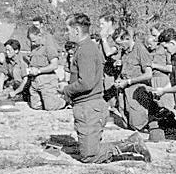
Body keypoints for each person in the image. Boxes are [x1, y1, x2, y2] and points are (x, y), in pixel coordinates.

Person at [60, 13, 151, 163]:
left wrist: (66, 89)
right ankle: (126, 145)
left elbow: (86, 83)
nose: (66, 33)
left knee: (89, 156)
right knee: (89, 150)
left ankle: (130, 145)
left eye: (68, 29)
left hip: (89, 108)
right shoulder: (85, 47)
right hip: (88, 107)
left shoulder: (86, 50)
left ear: (76, 30)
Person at [113, 27, 154, 131]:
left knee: (137, 124)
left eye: (121, 44)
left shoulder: (140, 49)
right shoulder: (124, 51)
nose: (120, 47)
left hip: (136, 89)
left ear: (127, 38)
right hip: (124, 89)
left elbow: (148, 74)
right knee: (126, 122)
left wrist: (128, 81)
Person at [27, 26, 65, 110]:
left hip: (47, 80)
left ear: (39, 35)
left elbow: (54, 65)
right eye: (31, 41)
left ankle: (65, 100)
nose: (32, 43)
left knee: (51, 107)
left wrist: (39, 70)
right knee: (36, 106)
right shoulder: (34, 48)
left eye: (34, 41)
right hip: (35, 81)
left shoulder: (49, 47)